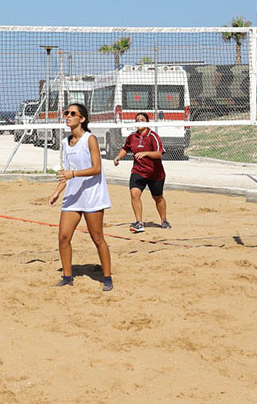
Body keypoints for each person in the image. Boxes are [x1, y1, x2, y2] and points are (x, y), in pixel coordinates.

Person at [47, 103, 113, 292]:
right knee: (63, 237)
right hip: (73, 196)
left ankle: (107, 277)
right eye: (66, 113)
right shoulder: (64, 143)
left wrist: (73, 175)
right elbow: (66, 172)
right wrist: (57, 191)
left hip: (92, 195)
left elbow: (97, 168)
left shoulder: (89, 139)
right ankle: (68, 277)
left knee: (97, 237)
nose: (68, 116)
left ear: (82, 119)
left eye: (72, 114)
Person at [113, 112, 170, 233]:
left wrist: (146, 153)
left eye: (142, 120)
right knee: (134, 194)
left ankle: (164, 220)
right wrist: (118, 157)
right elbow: (125, 148)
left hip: (155, 173)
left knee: (158, 197)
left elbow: (159, 153)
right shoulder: (132, 137)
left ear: (147, 122)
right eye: (137, 120)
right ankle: (139, 223)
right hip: (138, 171)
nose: (139, 122)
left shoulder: (153, 136)